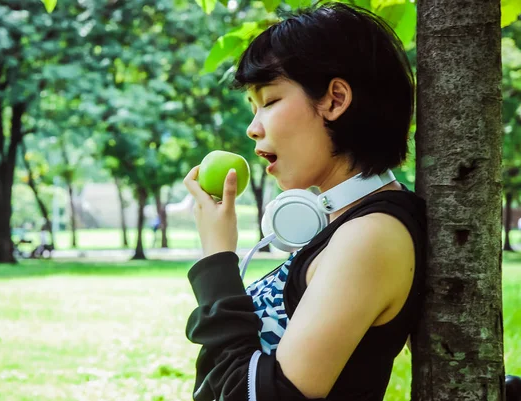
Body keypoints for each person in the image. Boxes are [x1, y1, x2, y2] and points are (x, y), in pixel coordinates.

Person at [182, 3, 426, 400]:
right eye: (253, 107)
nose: (252, 128)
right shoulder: (349, 225)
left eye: (270, 101)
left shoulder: (371, 236)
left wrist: (216, 262)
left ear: (334, 100)